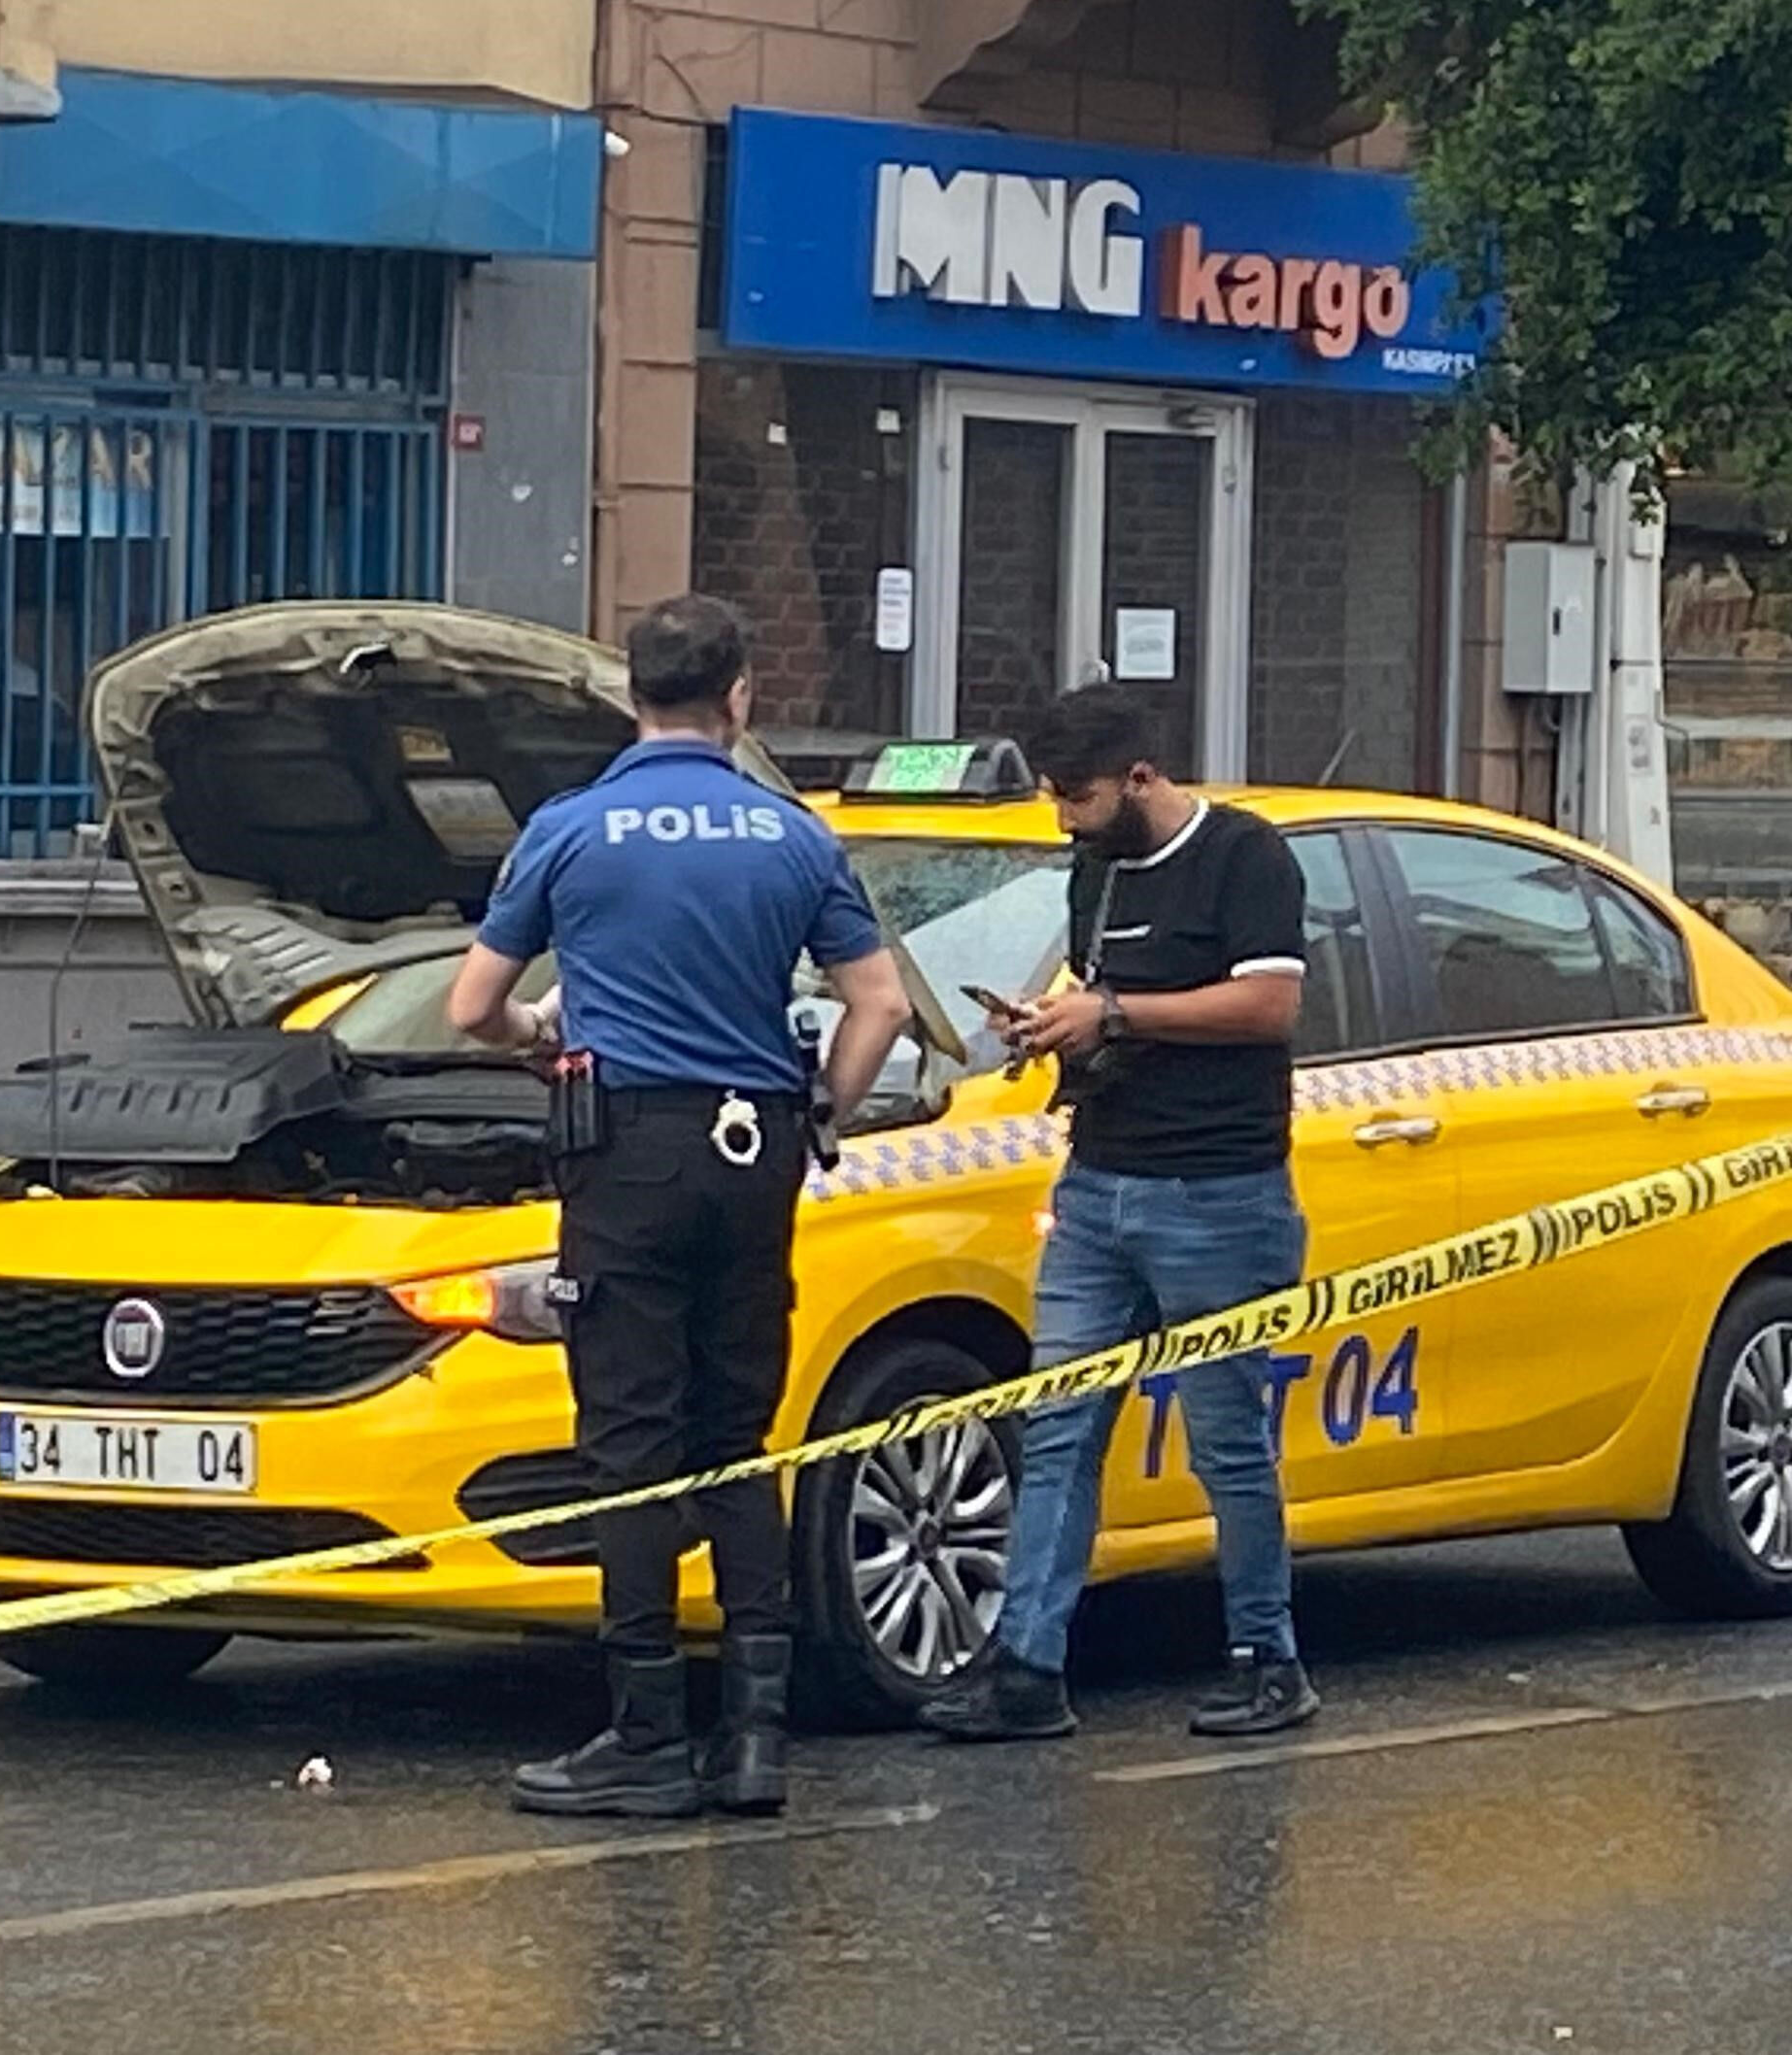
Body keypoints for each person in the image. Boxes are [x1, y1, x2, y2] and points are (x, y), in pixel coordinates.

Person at [447, 593, 907, 1819]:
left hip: (629, 1156)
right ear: (741, 694)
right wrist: (827, 1113)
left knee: (634, 1448)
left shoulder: (573, 828)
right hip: (755, 1150)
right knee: (735, 1439)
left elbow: (470, 1007)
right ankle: (755, 1739)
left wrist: (541, 1034)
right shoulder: (791, 832)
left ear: (629, 696)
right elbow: (882, 1004)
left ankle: (646, 1733)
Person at [919, 684, 1321, 1742]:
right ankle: (1027, 1668)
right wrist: (1062, 1029)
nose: (1065, 816)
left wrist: (1115, 1010)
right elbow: (1107, 1003)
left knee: (1228, 1435)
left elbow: (1269, 1004)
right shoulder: (1092, 872)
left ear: (1143, 778)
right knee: (1058, 1426)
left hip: (1218, 1189)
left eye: (1081, 796)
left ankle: (1265, 1657)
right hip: (1097, 1183)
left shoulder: (1245, 855)